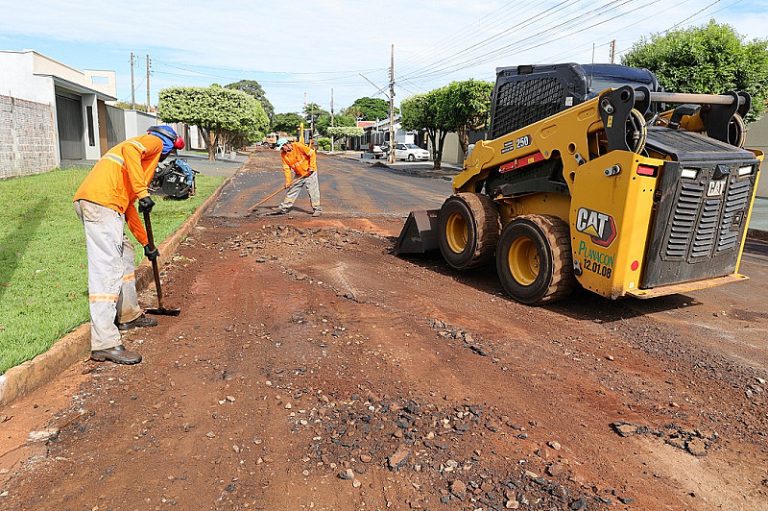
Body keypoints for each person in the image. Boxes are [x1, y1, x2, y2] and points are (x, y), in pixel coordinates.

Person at [73, 125, 184, 365]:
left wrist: (146, 244)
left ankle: (128, 315)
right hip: (102, 203)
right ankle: (105, 344)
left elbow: (130, 209)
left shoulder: (132, 168)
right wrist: (144, 192)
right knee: (107, 272)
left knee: (125, 255)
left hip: (104, 203)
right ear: (166, 145)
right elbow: (132, 149)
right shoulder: (150, 144)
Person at [275, 140, 321, 217]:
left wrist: (312, 167)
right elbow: (286, 169)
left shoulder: (298, 146)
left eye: (283, 147)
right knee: (292, 189)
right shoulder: (283, 154)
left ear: (287, 144)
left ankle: (317, 209)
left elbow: (312, 153)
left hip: (310, 173)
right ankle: (284, 208)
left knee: (313, 191)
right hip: (299, 174)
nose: (282, 150)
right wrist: (288, 182)